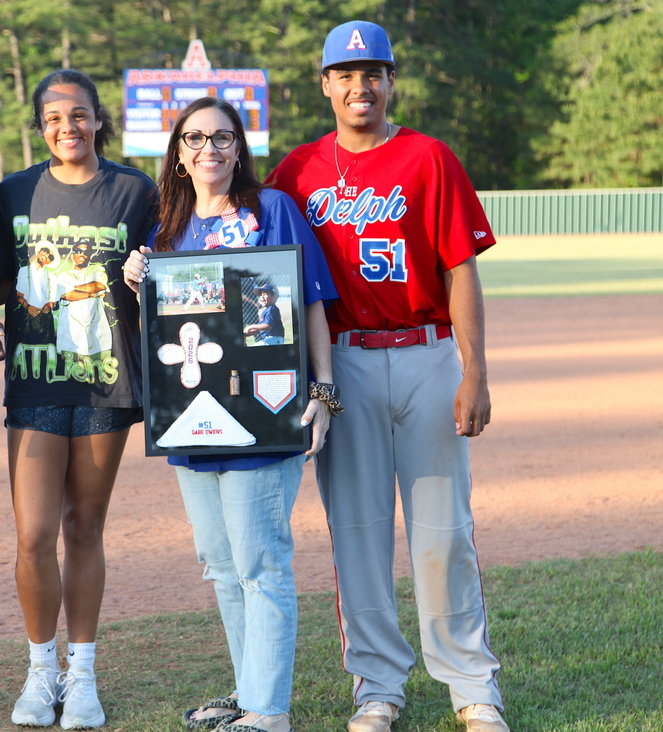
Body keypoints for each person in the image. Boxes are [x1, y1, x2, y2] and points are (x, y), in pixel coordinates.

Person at [266, 20, 508, 732]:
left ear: (391, 81)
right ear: (325, 85)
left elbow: (461, 270)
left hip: (429, 352)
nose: (358, 86)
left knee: (445, 533)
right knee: (357, 534)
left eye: (372, 72)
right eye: (344, 74)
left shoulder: (429, 157)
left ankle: (472, 685)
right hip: (342, 366)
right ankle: (377, 685)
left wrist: (475, 372)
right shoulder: (296, 171)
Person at [123, 97, 341, 732]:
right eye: (194, 139)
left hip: (264, 415)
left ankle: (268, 714)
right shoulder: (166, 228)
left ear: (239, 149)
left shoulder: (270, 210)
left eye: (222, 138)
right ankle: (251, 696)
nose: (208, 149)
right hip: (191, 418)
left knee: (261, 564)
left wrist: (323, 393)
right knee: (221, 565)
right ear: (179, 154)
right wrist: (141, 279)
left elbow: (311, 307)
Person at [0, 69, 157, 730]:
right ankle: (40, 673)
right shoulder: (14, 192)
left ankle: (81, 676)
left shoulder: (134, 190)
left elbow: (160, 272)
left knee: (84, 526)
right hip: (34, 379)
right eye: (55, 118)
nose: (69, 128)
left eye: (80, 115)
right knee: (33, 534)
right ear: (41, 127)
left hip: (104, 382)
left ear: (99, 120)